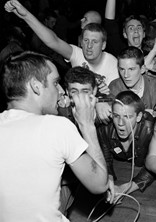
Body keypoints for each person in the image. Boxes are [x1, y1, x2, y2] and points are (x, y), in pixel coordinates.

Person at [0, 51, 110, 222]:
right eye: (55, 83)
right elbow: (99, 184)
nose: (60, 91)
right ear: (36, 86)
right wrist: (86, 124)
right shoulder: (57, 127)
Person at [4, 0, 119, 86]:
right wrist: (26, 15)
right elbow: (52, 40)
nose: (89, 46)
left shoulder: (113, 64)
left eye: (94, 42)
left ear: (103, 45)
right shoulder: (77, 53)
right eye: (86, 41)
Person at [97, 90, 155, 196]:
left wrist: (125, 189)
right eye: (116, 116)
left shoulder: (150, 131)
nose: (120, 123)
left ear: (138, 117)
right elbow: (106, 159)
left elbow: (154, 165)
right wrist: (110, 183)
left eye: (127, 117)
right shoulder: (105, 129)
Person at [109, 46, 156, 116]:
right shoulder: (114, 88)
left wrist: (155, 117)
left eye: (131, 69)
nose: (126, 75)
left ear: (142, 69)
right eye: (122, 69)